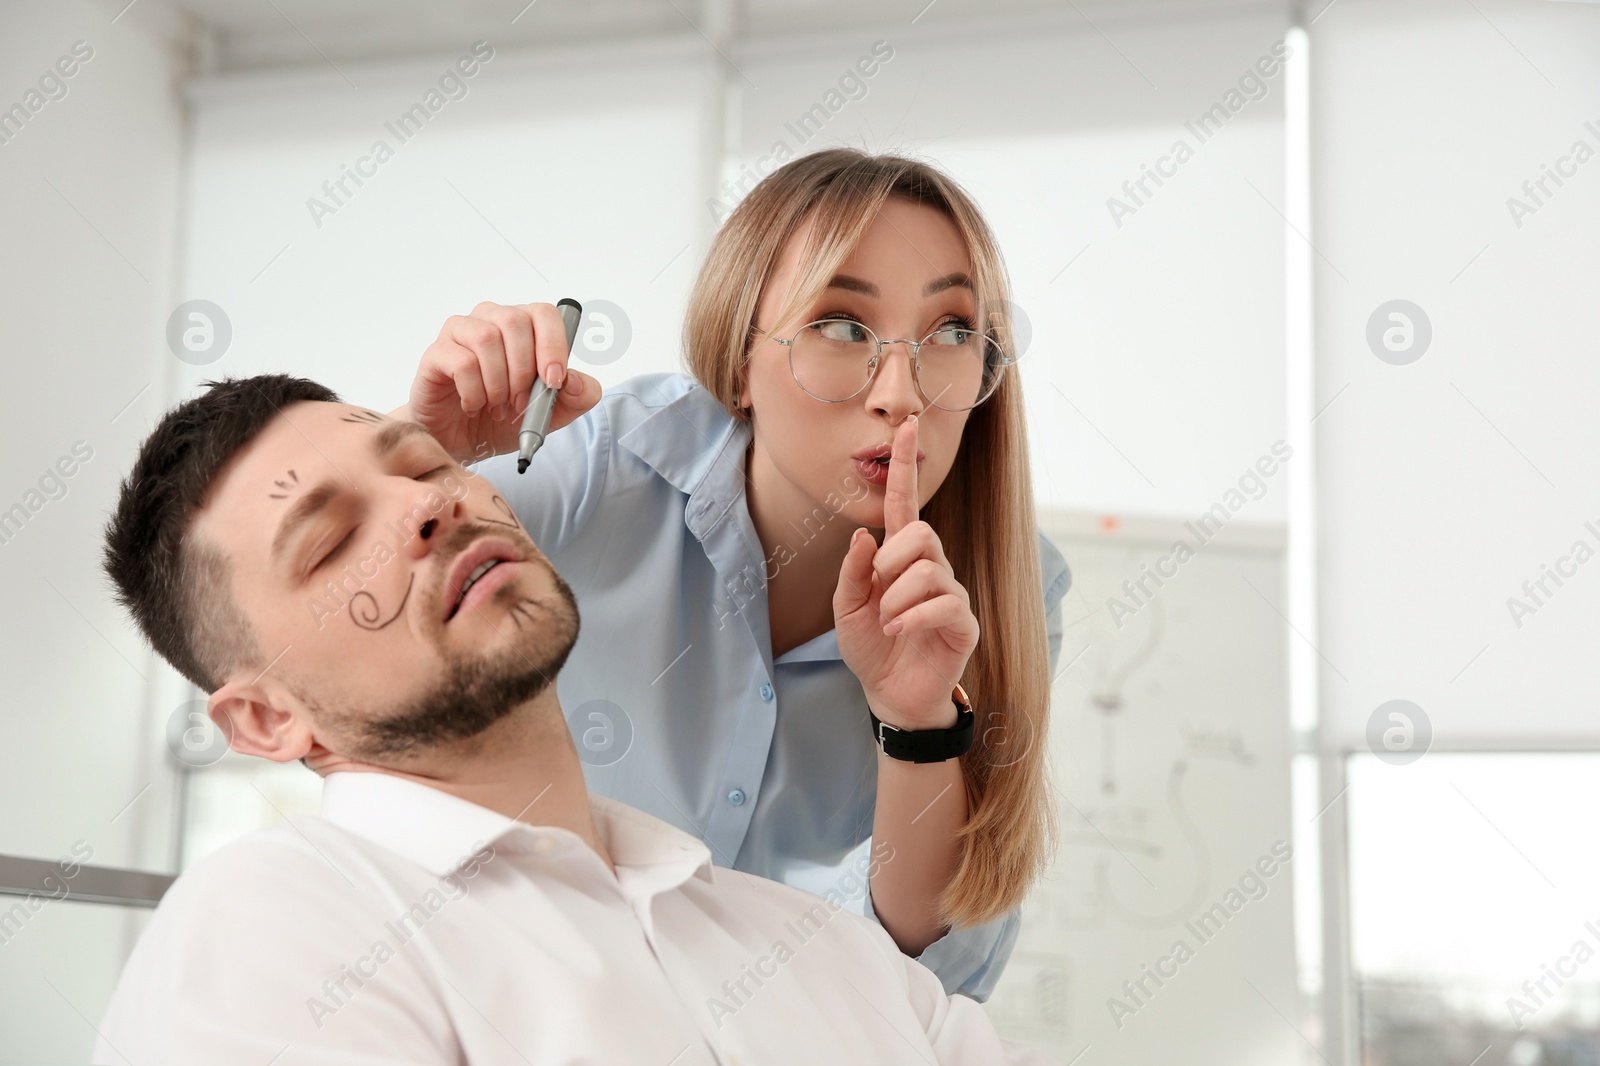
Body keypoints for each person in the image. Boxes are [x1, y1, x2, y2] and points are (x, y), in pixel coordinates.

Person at [94, 374, 1060, 1064]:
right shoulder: (271, 928)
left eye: (426, 462)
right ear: (266, 719)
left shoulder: (807, 944)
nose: (427, 505)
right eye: (334, 539)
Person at [345, 148, 1072, 1000]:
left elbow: (933, 974)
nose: (902, 393)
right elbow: (327, 629)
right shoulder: (599, 466)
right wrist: (416, 447)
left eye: (951, 331)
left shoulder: (1013, 587)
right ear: (736, 361)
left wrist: (916, 724)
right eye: (843, 326)